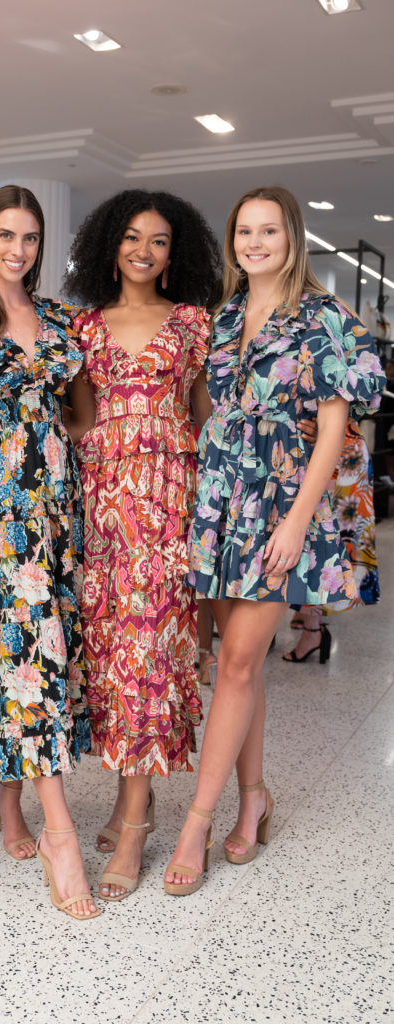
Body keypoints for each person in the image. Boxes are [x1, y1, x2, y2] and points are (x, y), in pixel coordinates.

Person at [163, 184, 384, 895]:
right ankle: (252, 797)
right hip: (223, 500)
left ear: (292, 237)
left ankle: (196, 823)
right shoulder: (225, 315)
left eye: (269, 231)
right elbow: (211, 409)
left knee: (233, 664)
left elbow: (334, 430)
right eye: (244, 232)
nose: (255, 243)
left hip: (284, 504)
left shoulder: (323, 316)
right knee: (242, 667)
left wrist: (295, 521)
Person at [0, 184, 99, 920]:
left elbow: (82, 415)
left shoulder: (61, 321)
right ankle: (61, 834)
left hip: (56, 512)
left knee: (35, 658)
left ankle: (8, 797)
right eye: (5, 235)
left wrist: (50, 455)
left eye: (30, 238)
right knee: (26, 651)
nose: (18, 249)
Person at [62, 189, 221, 900]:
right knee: (113, 655)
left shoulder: (192, 324)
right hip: (105, 509)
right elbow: (82, 423)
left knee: (151, 654)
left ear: (174, 251)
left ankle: (132, 823)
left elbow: (204, 418)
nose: (143, 251)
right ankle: (139, 795)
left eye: (158, 240)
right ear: (109, 244)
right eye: (131, 237)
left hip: (168, 505)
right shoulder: (83, 327)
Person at [284, 416, 380, 662]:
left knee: (318, 542)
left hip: (331, 447)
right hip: (328, 443)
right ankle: (306, 616)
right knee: (314, 539)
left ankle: (313, 631)